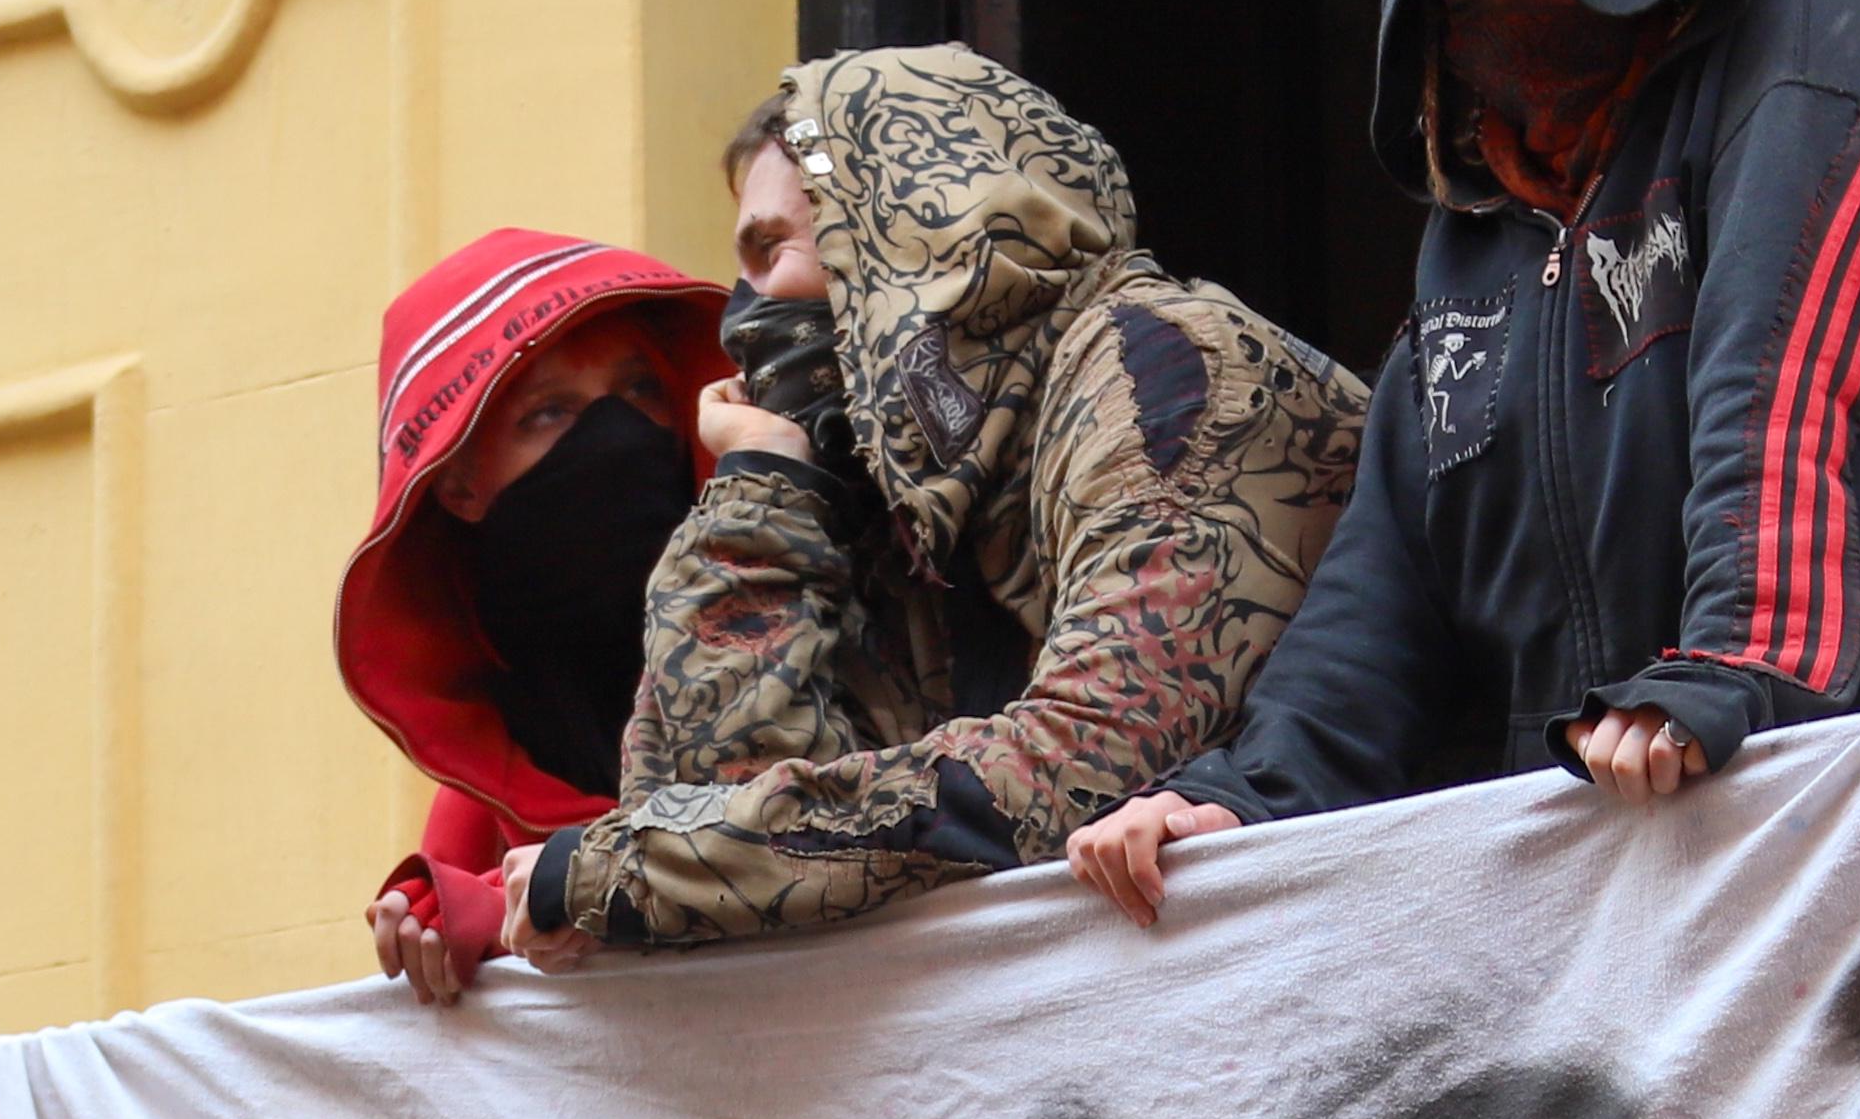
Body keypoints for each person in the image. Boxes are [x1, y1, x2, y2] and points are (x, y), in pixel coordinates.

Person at [1064, 0, 1860, 924]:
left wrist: (1725, 672)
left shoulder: (1812, 50)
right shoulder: (1477, 224)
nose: (1506, 21)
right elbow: (1391, 568)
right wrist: (1248, 796)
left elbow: (1788, 397)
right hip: (1605, 881)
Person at [489, 47, 1367, 959]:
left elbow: (1079, 764)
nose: (744, 311)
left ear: (905, 221)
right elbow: (722, 830)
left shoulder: (1169, 372)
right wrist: (764, 493)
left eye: (768, 250)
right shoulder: (909, 496)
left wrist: (626, 872)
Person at [345, 229, 729, 1000]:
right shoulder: (484, 794)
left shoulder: (821, 647)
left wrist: (562, 888)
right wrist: (474, 911)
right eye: (549, 412)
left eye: (641, 392)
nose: (617, 436)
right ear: (459, 487)